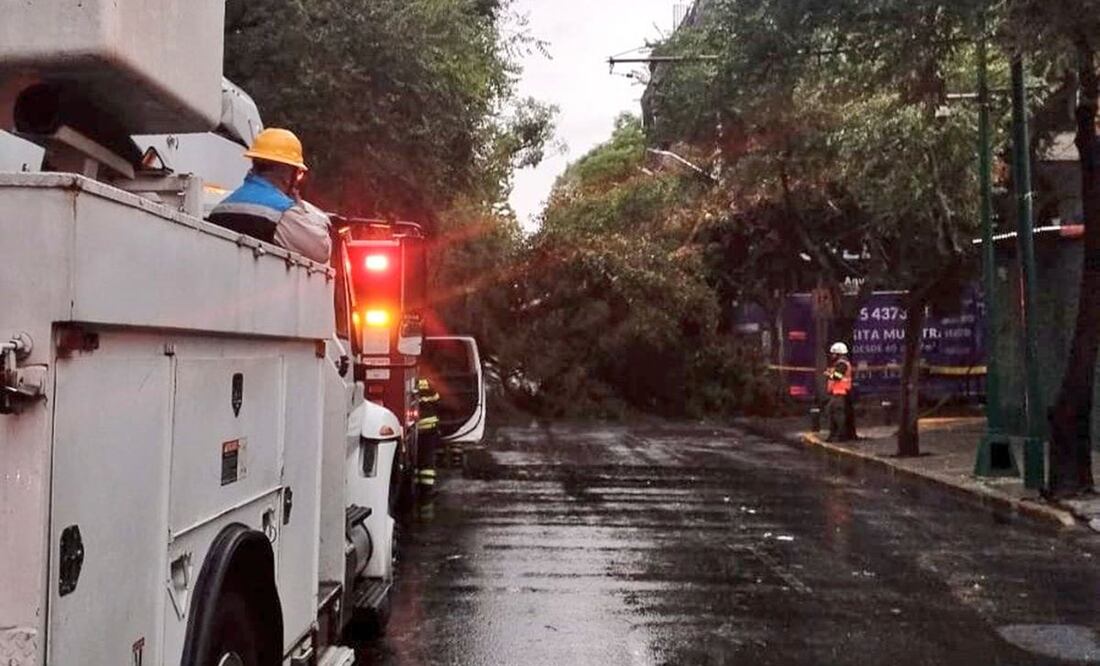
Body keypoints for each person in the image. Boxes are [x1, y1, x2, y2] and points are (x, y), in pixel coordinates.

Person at [209, 128, 332, 263]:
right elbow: (322, 251)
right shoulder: (284, 213)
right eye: (297, 173)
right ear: (287, 172)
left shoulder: (220, 208)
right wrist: (301, 208)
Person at [415, 377, 442, 498]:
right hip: (429, 428)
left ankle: (416, 489)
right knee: (427, 461)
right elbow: (437, 399)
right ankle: (427, 491)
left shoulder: (413, 382)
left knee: (417, 460)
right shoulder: (429, 383)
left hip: (416, 428)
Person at [824, 341, 855, 442]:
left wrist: (829, 375)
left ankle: (841, 435)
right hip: (837, 392)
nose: (832, 355)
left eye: (834, 353)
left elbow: (838, 377)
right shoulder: (839, 363)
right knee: (831, 412)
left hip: (840, 393)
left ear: (838, 353)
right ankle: (834, 434)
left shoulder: (842, 364)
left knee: (837, 414)